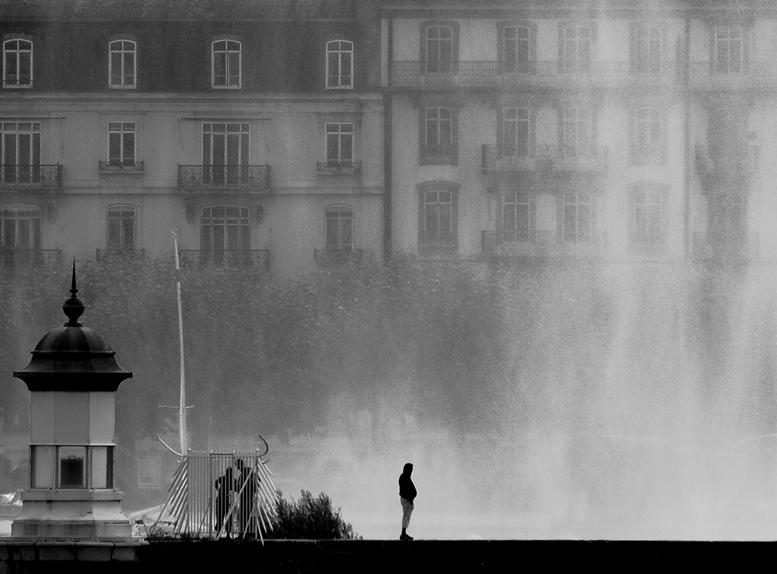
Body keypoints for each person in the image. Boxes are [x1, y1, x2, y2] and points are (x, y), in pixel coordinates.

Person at [235, 458, 258, 538]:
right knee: (242, 516)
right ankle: (242, 533)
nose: (237, 467)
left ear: (241, 464)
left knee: (249, 515)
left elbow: (255, 482)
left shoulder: (249, 471)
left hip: (248, 497)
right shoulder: (241, 476)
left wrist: (253, 490)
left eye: (237, 465)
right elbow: (239, 488)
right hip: (243, 499)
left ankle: (250, 534)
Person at [398, 462, 416, 540]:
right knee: (406, 516)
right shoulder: (405, 477)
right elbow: (405, 491)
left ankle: (404, 532)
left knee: (407, 516)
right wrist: (410, 498)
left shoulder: (405, 476)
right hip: (406, 500)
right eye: (411, 469)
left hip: (407, 499)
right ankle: (403, 533)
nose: (412, 470)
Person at [214, 466, 234, 536]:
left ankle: (225, 533)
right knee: (221, 517)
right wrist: (218, 489)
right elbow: (216, 482)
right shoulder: (225, 479)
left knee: (225, 517)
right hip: (224, 501)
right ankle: (221, 533)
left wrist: (218, 489)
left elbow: (216, 482)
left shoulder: (226, 479)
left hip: (226, 501)